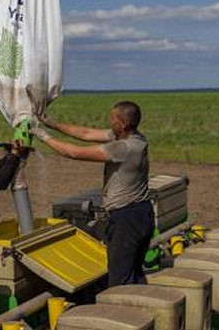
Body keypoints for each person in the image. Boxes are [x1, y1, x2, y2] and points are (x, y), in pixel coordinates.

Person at [30, 101, 152, 287]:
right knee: (134, 272)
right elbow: (86, 134)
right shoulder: (137, 138)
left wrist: (43, 136)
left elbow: (75, 153)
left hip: (126, 218)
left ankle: (123, 313)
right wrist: (53, 123)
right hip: (142, 213)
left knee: (120, 280)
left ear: (123, 124)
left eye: (112, 119)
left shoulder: (123, 148)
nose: (109, 122)